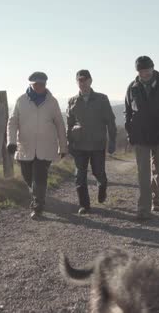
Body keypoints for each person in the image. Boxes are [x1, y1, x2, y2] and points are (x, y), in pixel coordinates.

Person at [7, 71, 68, 220]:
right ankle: (37, 197)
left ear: (46, 84)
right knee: (28, 177)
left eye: (42, 84)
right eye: (36, 84)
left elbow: (60, 124)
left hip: (46, 146)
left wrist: (63, 146)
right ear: (30, 84)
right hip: (25, 147)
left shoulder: (52, 101)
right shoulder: (20, 101)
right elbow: (12, 122)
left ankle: (38, 206)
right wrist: (11, 141)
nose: (40, 87)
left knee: (40, 177)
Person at [124, 56, 159, 220]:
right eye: (140, 70)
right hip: (140, 136)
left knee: (158, 171)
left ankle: (156, 198)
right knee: (143, 173)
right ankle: (143, 209)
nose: (144, 73)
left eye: (146, 69)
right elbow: (128, 111)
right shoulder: (132, 87)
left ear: (153, 68)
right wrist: (129, 132)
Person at [66, 69, 117, 215]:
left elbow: (111, 121)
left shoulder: (102, 99)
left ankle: (102, 186)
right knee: (79, 176)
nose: (82, 83)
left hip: (97, 144)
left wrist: (112, 140)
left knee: (98, 172)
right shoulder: (72, 101)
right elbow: (69, 124)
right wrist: (68, 142)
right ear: (77, 82)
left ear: (90, 81)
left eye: (85, 80)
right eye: (79, 80)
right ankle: (84, 205)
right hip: (79, 145)